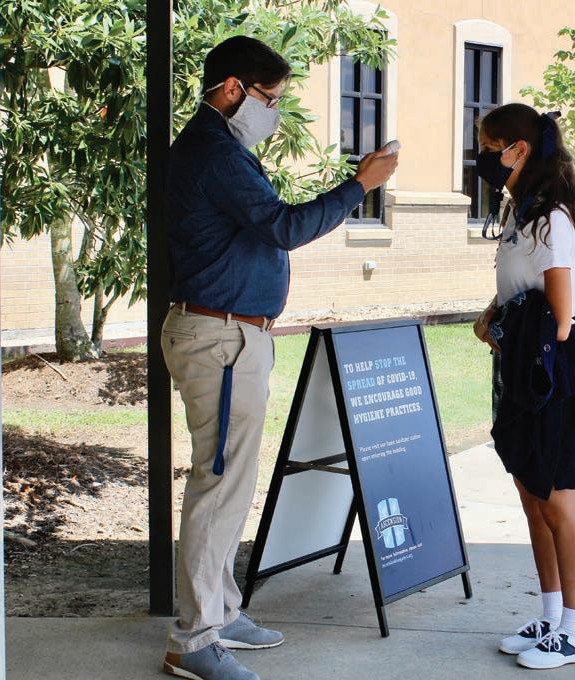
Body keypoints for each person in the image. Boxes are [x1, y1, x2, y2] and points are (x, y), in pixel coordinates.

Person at [160, 35, 397, 680]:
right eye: (268, 98)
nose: (273, 111)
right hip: (221, 339)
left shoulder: (219, 149)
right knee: (218, 486)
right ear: (232, 89)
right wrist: (358, 185)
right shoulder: (214, 152)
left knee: (229, 483)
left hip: (229, 337)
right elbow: (285, 227)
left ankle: (219, 610)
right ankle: (194, 639)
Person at [472, 103, 575, 670]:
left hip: (549, 375)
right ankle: (550, 617)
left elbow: (561, 316)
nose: (482, 157)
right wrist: (494, 314)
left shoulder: (552, 220)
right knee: (531, 497)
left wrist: (509, 324)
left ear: (518, 150)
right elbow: (521, 291)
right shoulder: (522, 213)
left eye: (488, 147)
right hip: (524, 370)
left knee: (558, 502)